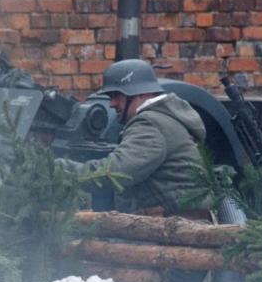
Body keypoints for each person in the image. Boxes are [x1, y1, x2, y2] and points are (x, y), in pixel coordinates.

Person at [67, 58, 207, 215]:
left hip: (175, 229)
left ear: (141, 93)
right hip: (173, 223)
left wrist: (61, 170)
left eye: (116, 95)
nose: (112, 104)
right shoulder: (161, 119)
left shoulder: (150, 123)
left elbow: (116, 172)